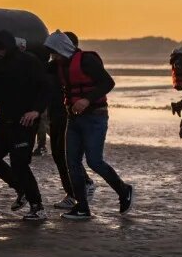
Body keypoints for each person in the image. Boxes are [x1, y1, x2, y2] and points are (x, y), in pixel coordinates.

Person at [44, 31, 133, 220]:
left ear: (62, 48)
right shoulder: (57, 65)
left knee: (94, 161)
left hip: (95, 116)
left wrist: (86, 100)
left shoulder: (87, 60)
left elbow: (108, 82)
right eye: (51, 53)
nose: (53, 57)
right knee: (72, 162)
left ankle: (124, 190)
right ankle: (82, 207)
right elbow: (36, 70)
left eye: (54, 52)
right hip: (73, 119)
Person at [0, 30, 50, 221]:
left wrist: (36, 111)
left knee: (20, 163)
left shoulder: (29, 61)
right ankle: (20, 189)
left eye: (1, 48)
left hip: (25, 122)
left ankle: (37, 206)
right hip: (3, 121)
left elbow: (46, 87)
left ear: (9, 47)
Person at [44, 33, 78, 210]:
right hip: (54, 114)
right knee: (58, 155)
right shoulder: (53, 67)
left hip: (66, 114)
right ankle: (72, 193)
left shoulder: (72, 66)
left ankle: (77, 191)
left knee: (66, 155)